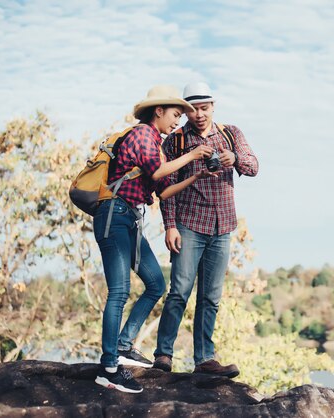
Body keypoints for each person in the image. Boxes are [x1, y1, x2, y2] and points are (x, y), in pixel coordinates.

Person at [93, 85, 215, 393]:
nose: (177, 122)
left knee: (156, 284)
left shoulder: (154, 142)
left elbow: (162, 191)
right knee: (119, 292)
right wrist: (193, 154)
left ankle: (122, 346)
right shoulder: (142, 135)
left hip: (130, 219)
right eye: (175, 115)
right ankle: (108, 368)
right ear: (158, 110)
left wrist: (196, 177)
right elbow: (160, 171)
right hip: (114, 216)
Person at [153, 82, 259, 377]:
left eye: (205, 108)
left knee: (210, 296)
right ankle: (163, 355)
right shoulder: (174, 142)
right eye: (193, 109)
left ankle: (205, 360)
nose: (199, 114)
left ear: (213, 106)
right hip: (188, 224)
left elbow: (254, 166)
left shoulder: (230, 134)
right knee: (180, 292)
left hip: (223, 225)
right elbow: (165, 187)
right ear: (186, 110)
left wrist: (234, 159)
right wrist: (169, 226)